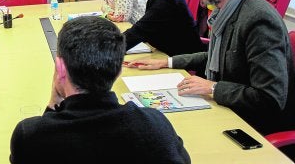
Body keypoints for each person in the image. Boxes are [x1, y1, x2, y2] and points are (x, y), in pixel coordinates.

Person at [126, 0, 295, 136]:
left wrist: (212, 88)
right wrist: (168, 62)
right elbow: (219, 55)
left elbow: (269, 99)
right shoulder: (225, 10)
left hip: (253, 124)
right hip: (228, 107)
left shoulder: (259, 20)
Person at [10, 16, 191, 163]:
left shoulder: (30, 136)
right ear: (119, 68)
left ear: (60, 68)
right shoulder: (154, 125)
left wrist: (53, 102)